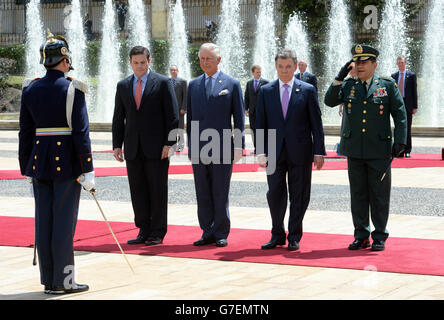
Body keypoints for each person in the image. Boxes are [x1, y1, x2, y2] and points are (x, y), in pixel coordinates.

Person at [18, 31, 94, 294]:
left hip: (39, 164)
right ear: (65, 60)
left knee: (44, 222)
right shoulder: (73, 88)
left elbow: (25, 133)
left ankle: (49, 280)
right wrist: (88, 169)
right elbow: (81, 133)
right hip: (67, 165)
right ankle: (65, 281)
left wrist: (26, 166)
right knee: (63, 224)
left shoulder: (30, 89)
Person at [324, 44, 407, 251]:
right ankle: (361, 235)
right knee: (358, 194)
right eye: (357, 62)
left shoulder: (386, 85)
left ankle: (379, 235)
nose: (359, 66)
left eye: (364, 62)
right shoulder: (349, 84)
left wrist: (400, 141)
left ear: (374, 64)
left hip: (379, 149)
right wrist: (339, 77)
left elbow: (400, 114)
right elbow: (329, 101)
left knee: (379, 195)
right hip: (354, 149)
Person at [256, 49, 326, 251]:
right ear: (276, 67)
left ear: (295, 67)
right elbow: (260, 122)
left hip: (301, 151)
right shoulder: (266, 91)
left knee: (299, 194)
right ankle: (277, 234)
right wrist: (260, 150)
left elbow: (316, 124)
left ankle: (294, 235)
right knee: (275, 194)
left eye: (288, 66)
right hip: (272, 152)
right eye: (280, 66)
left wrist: (319, 151)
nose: (284, 70)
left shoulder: (307, 89)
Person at [112, 46, 178, 246]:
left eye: (143, 62)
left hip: (157, 148)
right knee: (138, 190)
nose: (139, 66)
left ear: (149, 61)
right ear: (130, 63)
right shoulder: (123, 85)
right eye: (135, 62)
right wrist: (117, 145)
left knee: (157, 190)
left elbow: (173, 115)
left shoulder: (163, 83)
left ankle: (157, 231)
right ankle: (143, 229)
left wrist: (170, 143)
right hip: (133, 147)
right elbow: (118, 118)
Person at [186, 43, 245, 247]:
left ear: (218, 60)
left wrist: (239, 146)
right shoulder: (192, 85)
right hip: (199, 148)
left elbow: (238, 118)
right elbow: (190, 120)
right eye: (202, 58)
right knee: (202, 191)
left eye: (208, 58)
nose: (204, 62)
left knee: (220, 190)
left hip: (223, 147)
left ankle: (221, 232)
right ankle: (207, 230)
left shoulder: (232, 84)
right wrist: (191, 147)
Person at [391, 56, 418, 158]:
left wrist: (415, 106)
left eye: (402, 62)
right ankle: (399, 150)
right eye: (399, 63)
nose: (400, 64)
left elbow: (414, 92)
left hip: (408, 104)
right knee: (398, 128)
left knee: (407, 128)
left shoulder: (411, 75)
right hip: (397, 105)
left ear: (405, 63)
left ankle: (407, 150)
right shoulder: (393, 76)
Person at [244, 65, 268, 154]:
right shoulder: (249, 83)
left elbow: (268, 97)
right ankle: (256, 149)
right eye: (257, 72)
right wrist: (246, 109)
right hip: (252, 112)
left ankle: (263, 149)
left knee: (262, 130)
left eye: (260, 72)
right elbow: (246, 96)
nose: (259, 74)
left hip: (262, 111)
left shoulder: (266, 82)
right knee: (253, 130)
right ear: (253, 73)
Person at [169, 64, 188, 152]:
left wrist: (184, 108)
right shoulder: (167, 81)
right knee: (171, 128)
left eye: (175, 70)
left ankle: (180, 145)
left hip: (180, 109)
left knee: (180, 128)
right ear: (170, 71)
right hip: (170, 110)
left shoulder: (183, 81)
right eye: (172, 70)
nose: (173, 71)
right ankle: (172, 145)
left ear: (178, 71)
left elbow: (186, 95)